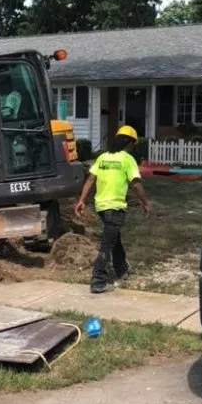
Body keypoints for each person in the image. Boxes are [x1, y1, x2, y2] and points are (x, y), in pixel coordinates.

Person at [75, 125, 151, 294]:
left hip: (100, 207)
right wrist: (145, 202)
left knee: (114, 238)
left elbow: (90, 180)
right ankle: (97, 279)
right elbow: (136, 184)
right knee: (107, 244)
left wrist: (82, 200)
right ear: (130, 143)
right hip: (115, 207)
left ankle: (121, 268)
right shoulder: (127, 159)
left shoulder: (103, 157)